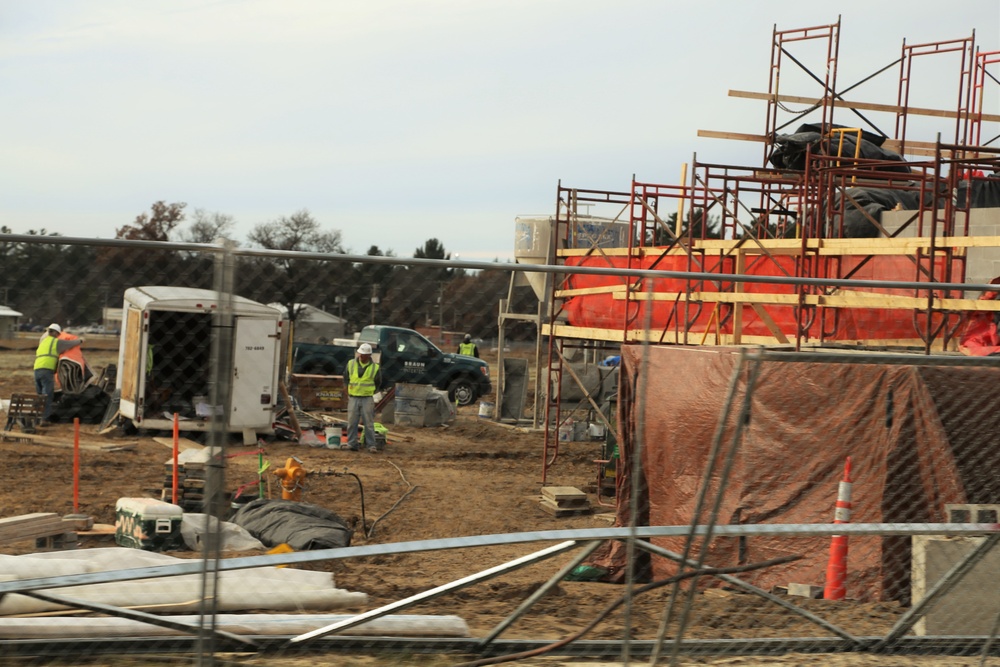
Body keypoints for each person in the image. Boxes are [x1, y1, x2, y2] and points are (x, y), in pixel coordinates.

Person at [33, 323, 82, 426]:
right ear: (56, 333)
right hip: (46, 370)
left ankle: (37, 418)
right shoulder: (56, 342)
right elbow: (70, 344)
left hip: (36, 369)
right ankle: (44, 419)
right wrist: (80, 341)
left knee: (40, 395)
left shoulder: (43, 342)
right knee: (47, 395)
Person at [342, 342, 383, 452]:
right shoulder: (351, 364)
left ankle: (371, 445)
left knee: (368, 423)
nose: (361, 356)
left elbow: (378, 383)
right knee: (352, 422)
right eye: (360, 353)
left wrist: (370, 392)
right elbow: (346, 378)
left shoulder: (375, 368)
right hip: (353, 397)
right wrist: (347, 391)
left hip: (367, 398)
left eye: (364, 354)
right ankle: (352, 443)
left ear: (369, 355)